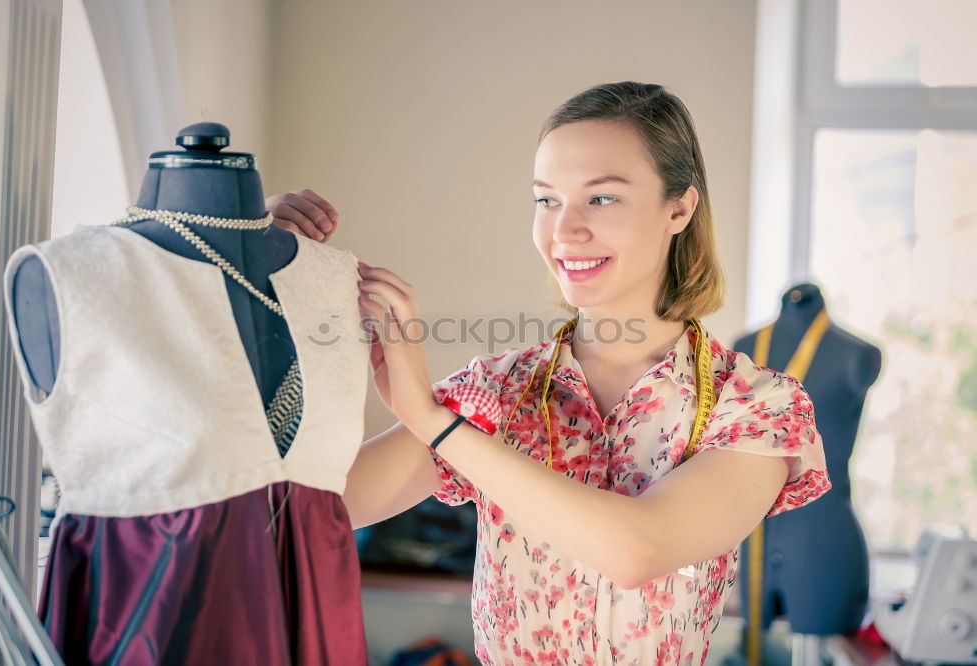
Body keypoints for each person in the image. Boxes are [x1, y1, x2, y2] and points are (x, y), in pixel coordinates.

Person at [268, 81, 832, 666]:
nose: (565, 230)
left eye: (602, 198)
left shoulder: (755, 406)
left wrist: (430, 421)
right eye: (546, 200)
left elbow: (639, 548)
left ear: (680, 208)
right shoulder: (496, 395)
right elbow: (293, 513)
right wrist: (262, 272)